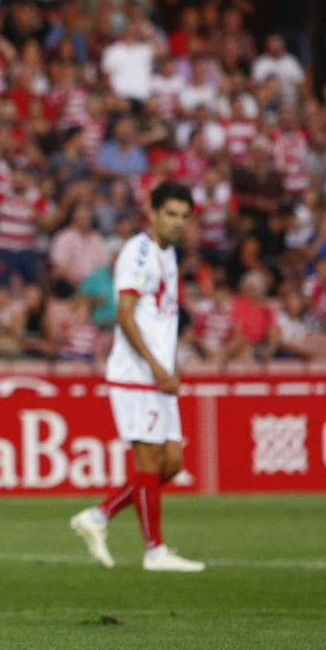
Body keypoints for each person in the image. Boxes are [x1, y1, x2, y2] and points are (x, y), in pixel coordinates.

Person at [70, 181, 205, 574]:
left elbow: (162, 318)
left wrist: (172, 363)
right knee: (148, 461)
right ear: (153, 211)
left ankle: (98, 517)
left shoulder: (170, 253)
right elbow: (125, 314)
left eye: (183, 216)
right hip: (135, 374)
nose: (177, 222)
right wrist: (156, 365)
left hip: (159, 374)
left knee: (172, 463)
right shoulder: (138, 252)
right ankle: (154, 551)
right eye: (171, 214)